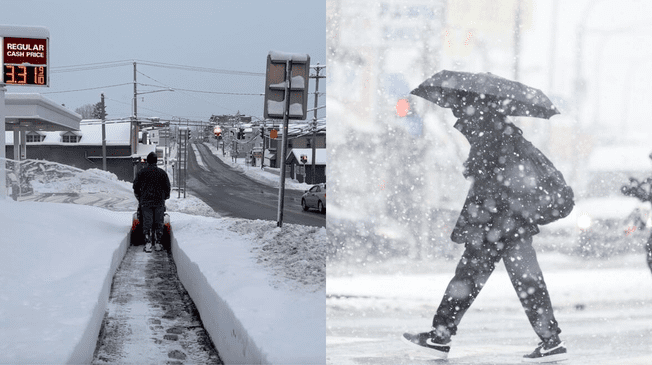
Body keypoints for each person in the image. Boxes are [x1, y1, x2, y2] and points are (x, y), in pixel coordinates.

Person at [402, 98, 568, 363]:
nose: (460, 120)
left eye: (462, 114)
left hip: (494, 226)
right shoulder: (509, 136)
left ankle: (440, 336)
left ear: (477, 114)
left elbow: (488, 179)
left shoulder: (491, 137)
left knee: (467, 280)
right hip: (512, 225)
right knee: (527, 283)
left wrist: (472, 166)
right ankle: (551, 341)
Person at [133, 152, 171, 253]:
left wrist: (140, 198)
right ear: (156, 161)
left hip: (145, 202)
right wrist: (165, 197)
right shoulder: (162, 173)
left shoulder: (142, 172)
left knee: (147, 222)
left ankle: (148, 243)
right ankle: (158, 243)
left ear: (147, 161)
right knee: (159, 222)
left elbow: (135, 186)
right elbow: (167, 187)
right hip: (159, 202)